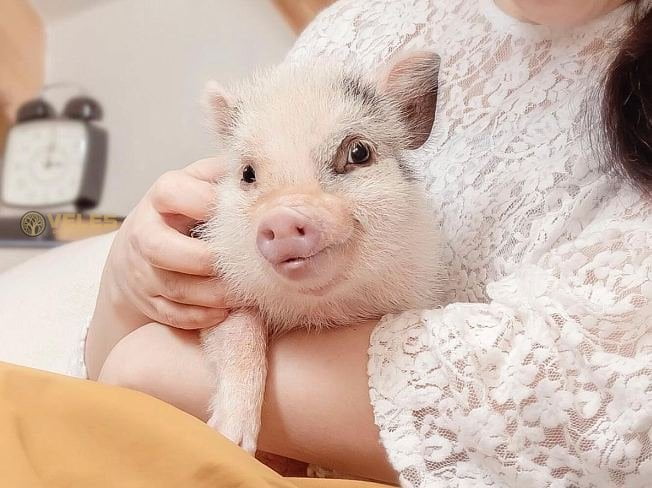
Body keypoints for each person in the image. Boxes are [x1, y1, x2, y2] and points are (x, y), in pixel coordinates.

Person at [84, 0, 652, 485]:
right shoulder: (359, 21)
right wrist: (127, 282)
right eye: (250, 178)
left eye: (355, 155)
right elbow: (103, 385)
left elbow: (572, 413)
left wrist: (148, 357)